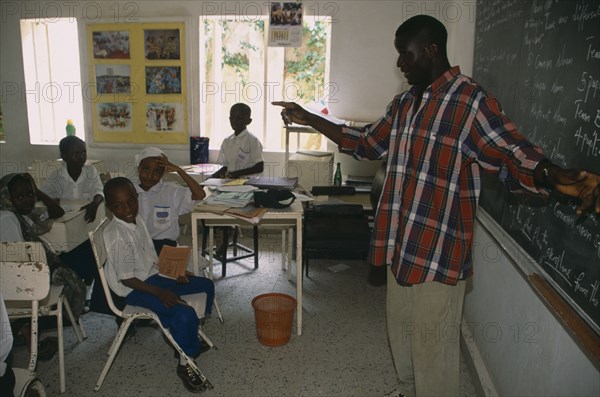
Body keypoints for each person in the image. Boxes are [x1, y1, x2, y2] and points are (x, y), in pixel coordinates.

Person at [274, 14, 600, 397]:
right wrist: (308, 117)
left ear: (431, 50)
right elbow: (364, 142)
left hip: (440, 250)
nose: (400, 63)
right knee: (401, 329)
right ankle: (410, 388)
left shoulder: (469, 101)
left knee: (434, 347)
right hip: (402, 244)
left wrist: (553, 173)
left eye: (405, 54)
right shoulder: (404, 105)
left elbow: (512, 151)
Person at [102, 177, 214, 392]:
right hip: (135, 289)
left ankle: (187, 334)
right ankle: (185, 362)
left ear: (137, 199)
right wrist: (161, 291)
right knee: (184, 313)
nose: (127, 208)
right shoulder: (117, 235)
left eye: (131, 201)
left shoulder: (137, 220)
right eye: (118, 205)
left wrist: (175, 272)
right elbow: (127, 279)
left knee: (206, 285)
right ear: (109, 208)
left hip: (152, 276)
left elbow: (151, 259)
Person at [0, 173, 86, 361]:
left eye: (30, 194)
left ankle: (64, 316)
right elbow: (18, 267)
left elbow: (57, 212)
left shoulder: (25, 216)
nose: (27, 201)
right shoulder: (7, 219)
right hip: (20, 287)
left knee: (80, 252)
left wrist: (37, 191)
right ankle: (34, 327)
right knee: (80, 258)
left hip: (26, 277)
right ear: (6, 196)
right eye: (19, 196)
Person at [40, 135, 105, 313]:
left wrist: (94, 203)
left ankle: (87, 286)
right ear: (64, 156)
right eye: (76, 154)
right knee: (69, 254)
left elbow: (99, 191)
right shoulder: (57, 176)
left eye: (83, 152)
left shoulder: (90, 172)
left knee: (93, 252)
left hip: (87, 221)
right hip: (68, 225)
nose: (81, 157)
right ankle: (76, 291)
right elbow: (45, 195)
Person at [134, 147, 206, 255]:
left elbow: (200, 194)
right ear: (138, 168)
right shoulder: (129, 191)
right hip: (139, 248)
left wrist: (179, 170)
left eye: (157, 172)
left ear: (163, 173)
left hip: (166, 248)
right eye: (146, 169)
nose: (150, 175)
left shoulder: (172, 192)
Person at [212, 103, 264, 178]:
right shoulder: (227, 141)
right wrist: (210, 178)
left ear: (248, 121)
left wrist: (236, 174)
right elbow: (225, 167)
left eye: (239, 118)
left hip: (248, 183)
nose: (234, 121)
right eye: (232, 118)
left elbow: (259, 167)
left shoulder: (252, 141)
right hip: (230, 182)